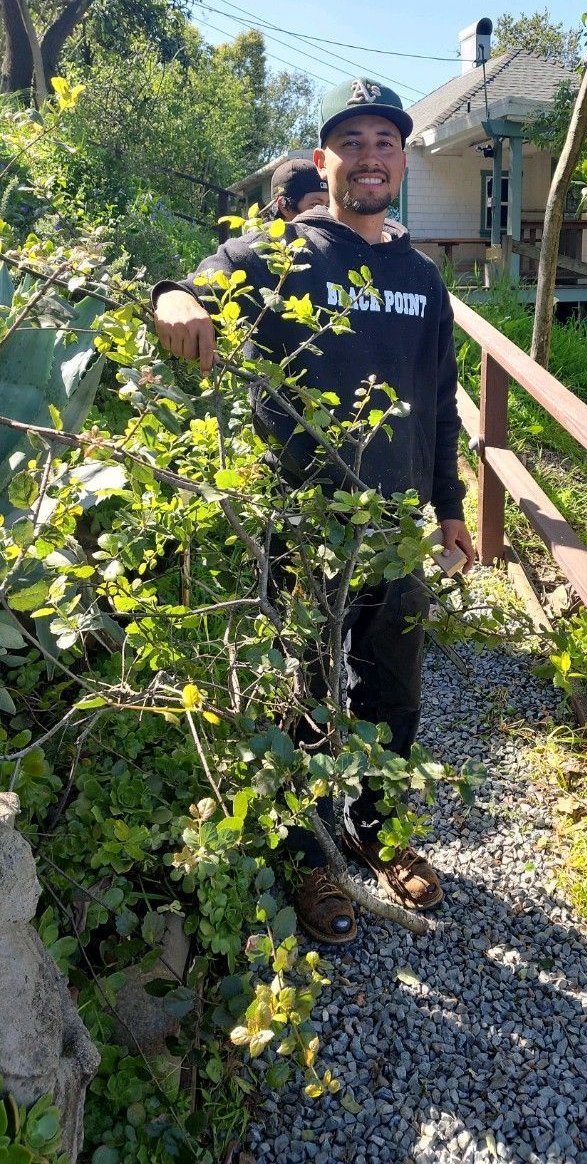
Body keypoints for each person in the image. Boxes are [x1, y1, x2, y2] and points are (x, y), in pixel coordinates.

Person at [152, 77, 475, 945]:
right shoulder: (275, 254)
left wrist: (448, 508)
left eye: (385, 142)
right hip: (296, 525)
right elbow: (185, 288)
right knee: (296, 688)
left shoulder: (421, 277)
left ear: (401, 159)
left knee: (392, 690)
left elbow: (439, 400)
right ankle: (304, 854)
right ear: (322, 158)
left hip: (395, 527)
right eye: (353, 142)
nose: (370, 158)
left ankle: (381, 832)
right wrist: (177, 300)